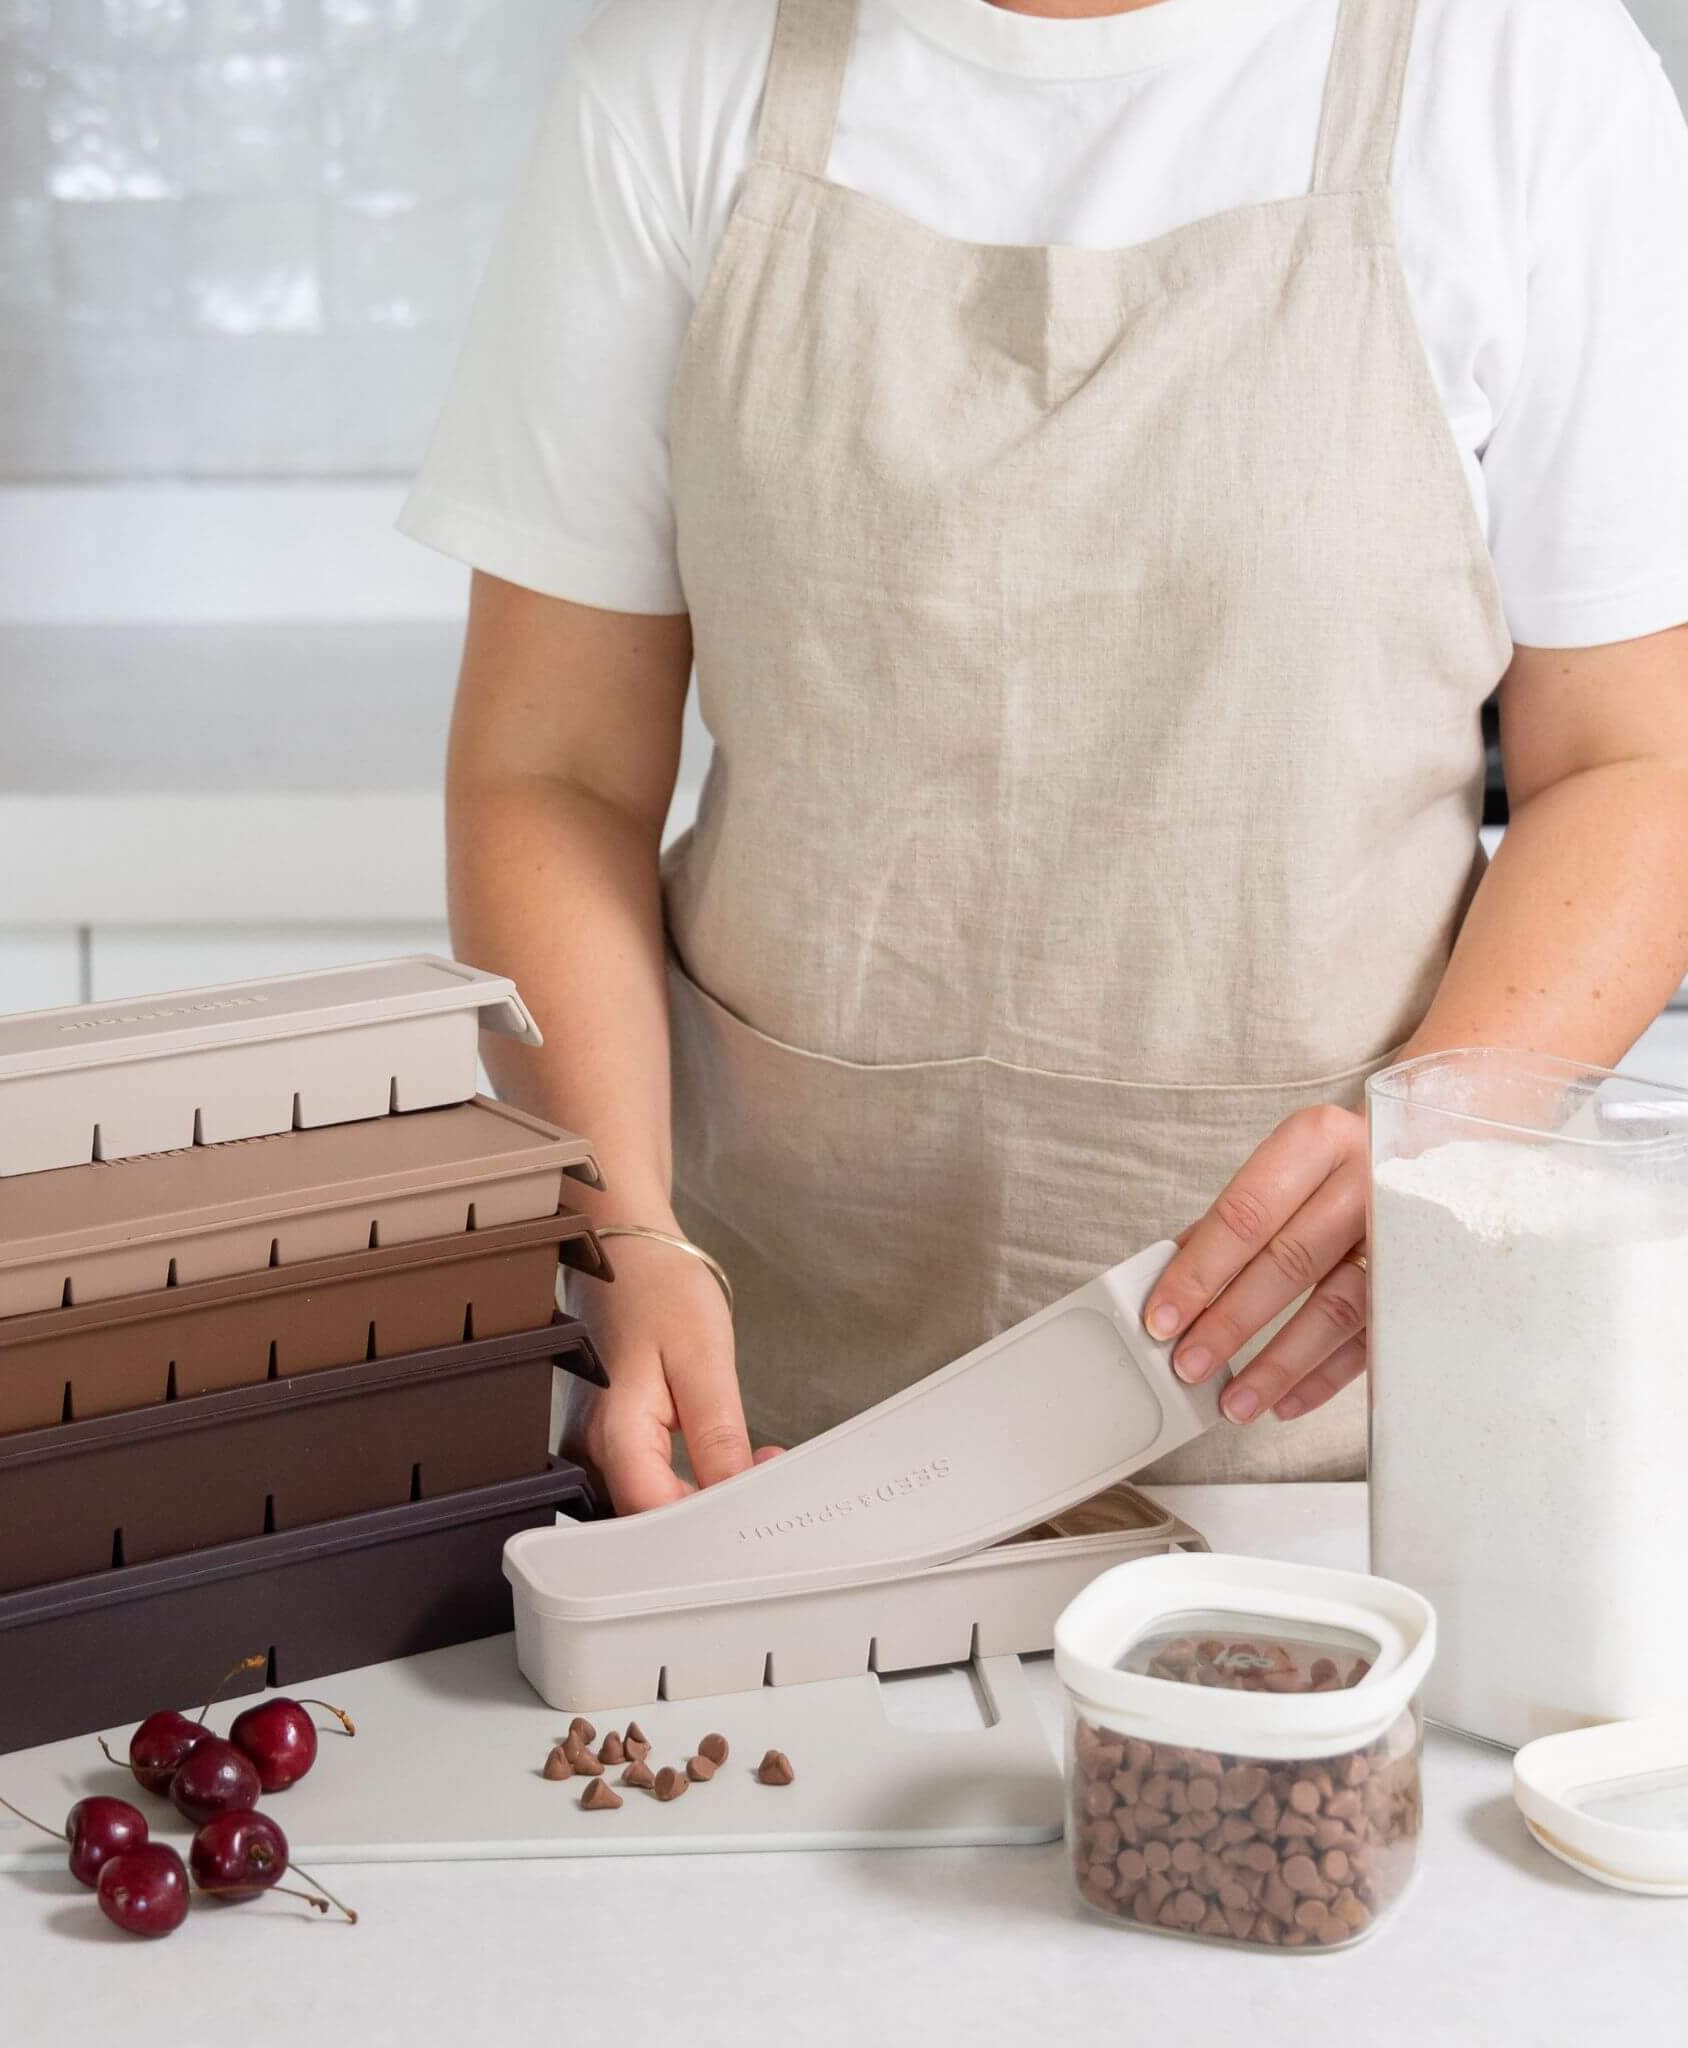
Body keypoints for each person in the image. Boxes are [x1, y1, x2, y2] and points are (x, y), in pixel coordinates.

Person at [403, 0, 1688, 1513]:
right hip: (764, 1410)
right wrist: (617, 1229)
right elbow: (555, 768)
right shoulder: (682, 73)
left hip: (1336, 1427)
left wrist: (1449, 1134)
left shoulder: (1520, 70)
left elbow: (1632, 759)